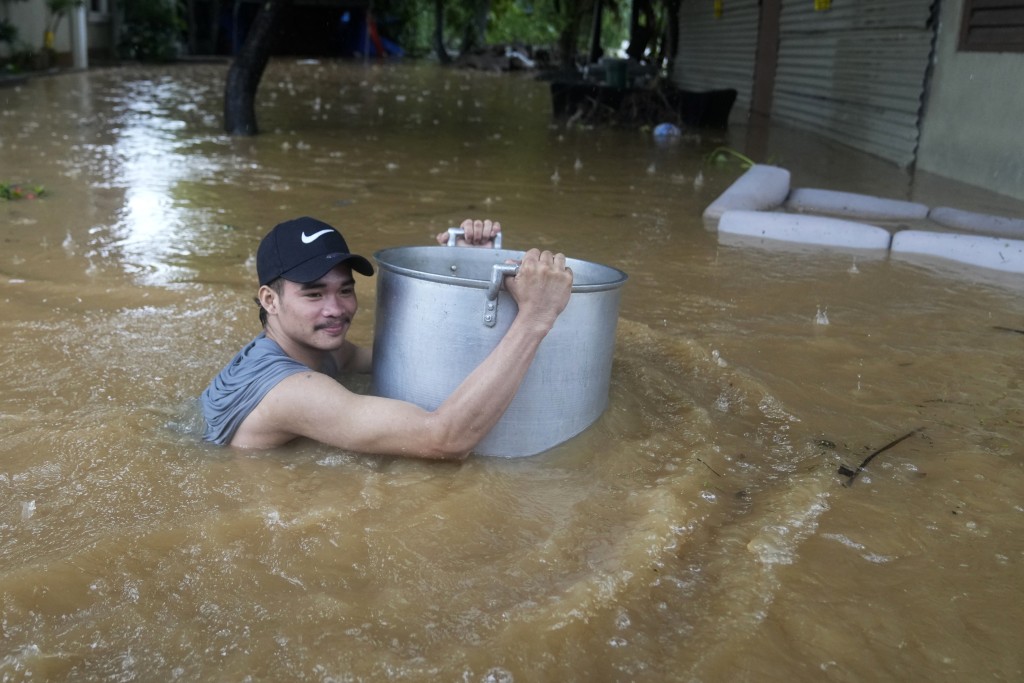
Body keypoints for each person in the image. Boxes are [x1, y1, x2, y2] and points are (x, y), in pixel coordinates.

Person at [200, 216, 573, 460]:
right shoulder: (293, 392)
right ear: (270, 300)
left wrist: (463, 274)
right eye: (314, 295)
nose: (336, 309)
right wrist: (536, 317)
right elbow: (444, 439)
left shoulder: (319, 350)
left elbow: (407, 364)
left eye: (345, 290)